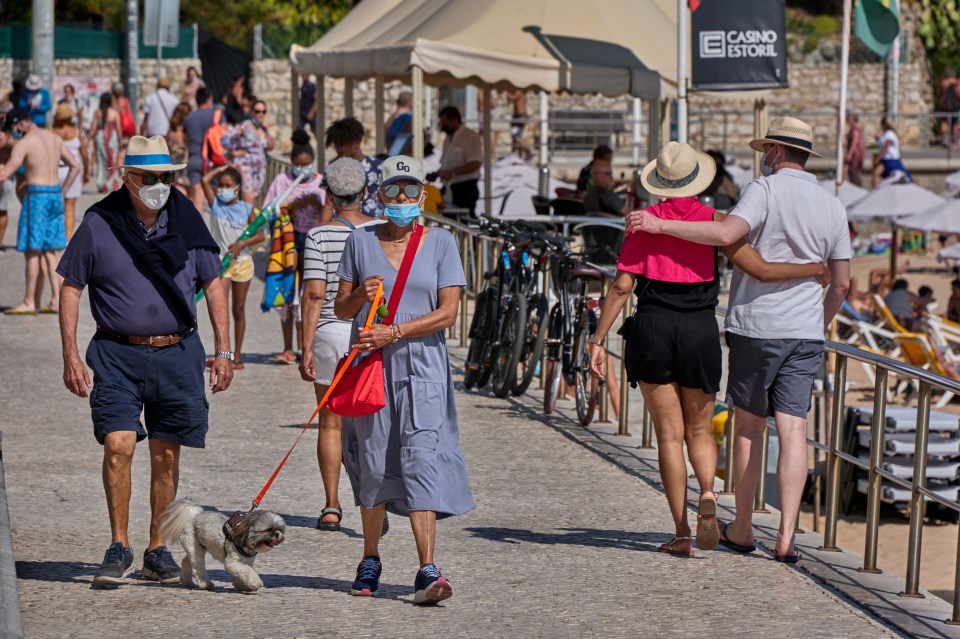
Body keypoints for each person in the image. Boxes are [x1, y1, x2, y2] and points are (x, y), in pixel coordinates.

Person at [588, 142, 830, 557]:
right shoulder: (716, 222)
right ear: (696, 181)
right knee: (700, 429)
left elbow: (621, 286)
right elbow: (759, 268)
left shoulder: (643, 223)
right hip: (700, 328)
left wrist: (596, 339)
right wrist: (812, 269)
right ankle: (708, 494)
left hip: (652, 327)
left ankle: (682, 533)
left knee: (669, 436)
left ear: (659, 183)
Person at [56, 134, 233, 586]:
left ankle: (156, 548)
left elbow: (214, 285)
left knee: (166, 454)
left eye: (166, 176)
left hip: (177, 352)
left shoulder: (187, 221)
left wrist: (224, 350)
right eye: (150, 177)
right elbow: (71, 287)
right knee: (117, 444)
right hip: (117, 353)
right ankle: (119, 544)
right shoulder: (100, 222)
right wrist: (71, 355)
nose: (160, 184)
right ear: (127, 178)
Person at [334, 155, 473, 604]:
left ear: (422, 195)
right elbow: (340, 309)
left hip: (423, 368)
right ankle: (370, 557)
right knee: (373, 459)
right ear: (379, 195)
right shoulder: (360, 241)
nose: (401, 198)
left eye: (410, 189)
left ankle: (427, 567)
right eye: (392, 190)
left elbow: (449, 312)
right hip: (373, 371)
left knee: (420, 459)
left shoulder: (442, 243)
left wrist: (394, 331)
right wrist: (360, 293)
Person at [299, 157, 381, 532]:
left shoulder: (318, 236)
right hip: (372, 335)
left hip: (332, 333)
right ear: (364, 193)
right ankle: (373, 502)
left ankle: (332, 505)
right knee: (371, 426)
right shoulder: (382, 230)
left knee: (330, 425)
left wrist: (305, 345)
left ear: (329, 195)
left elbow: (314, 295)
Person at [0, 108, 80, 315]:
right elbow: (75, 166)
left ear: (19, 125)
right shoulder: (53, 138)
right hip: (54, 194)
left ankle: (29, 301)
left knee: (33, 251)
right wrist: (62, 191)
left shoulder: (25, 144)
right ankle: (56, 300)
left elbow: (5, 174)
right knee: (51, 250)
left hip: (36, 195)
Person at [263, 129, 326, 364]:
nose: (303, 171)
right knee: (288, 292)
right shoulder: (282, 182)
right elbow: (270, 209)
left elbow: (329, 212)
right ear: (292, 164)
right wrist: (290, 205)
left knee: (308, 294)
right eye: (299, 166)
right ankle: (288, 347)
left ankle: (305, 346)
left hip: (313, 241)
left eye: (307, 166)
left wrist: (314, 204)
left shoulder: (321, 182)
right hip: (288, 241)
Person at [201, 164, 264, 370]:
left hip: (243, 263)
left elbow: (261, 235)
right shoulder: (216, 205)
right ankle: (223, 352)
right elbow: (204, 181)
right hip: (222, 263)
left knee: (238, 309)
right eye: (220, 185)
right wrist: (222, 168)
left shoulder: (247, 209)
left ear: (237, 187)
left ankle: (237, 355)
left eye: (228, 185)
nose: (222, 189)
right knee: (221, 308)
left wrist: (242, 244)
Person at [320, 117, 382, 219]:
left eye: (341, 145)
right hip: (342, 228)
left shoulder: (378, 167)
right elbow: (328, 205)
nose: (338, 150)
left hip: (373, 229)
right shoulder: (333, 169)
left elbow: (387, 199)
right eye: (335, 145)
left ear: (356, 142)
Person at [432, 106, 482, 216]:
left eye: (445, 123)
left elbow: (475, 163)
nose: (443, 126)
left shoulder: (470, 136)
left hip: (465, 188)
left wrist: (453, 173)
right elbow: (447, 162)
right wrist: (438, 173)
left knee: (464, 221)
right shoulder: (448, 138)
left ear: (454, 120)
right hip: (449, 188)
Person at [222, 99, 273, 204]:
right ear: (252, 112)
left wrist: (267, 130)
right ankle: (251, 220)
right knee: (248, 196)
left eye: (263, 111)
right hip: (245, 166)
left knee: (254, 196)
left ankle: (248, 218)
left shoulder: (263, 128)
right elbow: (225, 138)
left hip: (259, 169)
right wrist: (233, 152)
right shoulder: (245, 125)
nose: (261, 114)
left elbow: (271, 147)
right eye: (257, 111)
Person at [53, 104, 84, 240]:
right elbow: (84, 154)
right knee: (70, 207)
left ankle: (55, 235)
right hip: (73, 171)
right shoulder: (76, 132)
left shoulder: (53, 132)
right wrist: (88, 171)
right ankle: (67, 239)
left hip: (56, 170)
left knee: (56, 206)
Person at [184, 87, 216, 212]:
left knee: (197, 199)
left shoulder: (189, 118)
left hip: (194, 158)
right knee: (214, 199)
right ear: (209, 100)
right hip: (211, 160)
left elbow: (186, 140)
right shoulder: (214, 115)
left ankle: (198, 229)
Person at [88, 92, 123, 193]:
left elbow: (94, 127)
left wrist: (88, 138)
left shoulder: (98, 112)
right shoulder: (114, 113)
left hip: (100, 138)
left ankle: (101, 183)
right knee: (112, 161)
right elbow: (119, 129)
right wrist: (120, 142)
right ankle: (112, 183)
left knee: (101, 161)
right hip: (112, 138)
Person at [872, 117, 912, 186]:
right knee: (876, 174)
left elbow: (886, 147)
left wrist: (878, 158)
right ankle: (875, 190)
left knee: (895, 176)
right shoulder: (886, 134)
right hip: (886, 160)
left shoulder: (890, 134)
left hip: (891, 160)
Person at [166, 102, 192, 193]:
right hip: (183, 160)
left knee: (175, 187)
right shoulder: (185, 130)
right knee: (185, 189)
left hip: (172, 160)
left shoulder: (171, 129)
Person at [506, 89, 533, 161]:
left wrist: (507, 90)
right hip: (518, 117)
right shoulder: (521, 92)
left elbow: (511, 99)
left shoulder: (518, 92)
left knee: (516, 138)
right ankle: (519, 155)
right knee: (515, 137)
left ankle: (529, 151)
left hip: (519, 117)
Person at [0, 123, 15, 249]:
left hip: (6, 177)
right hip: (7, 176)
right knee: (3, 211)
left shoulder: (11, 142)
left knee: (3, 210)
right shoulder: (11, 141)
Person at [384, 91, 413, 155]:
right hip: (405, 160)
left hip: (391, 157)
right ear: (411, 104)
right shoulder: (409, 119)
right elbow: (411, 145)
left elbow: (385, 143)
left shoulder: (390, 120)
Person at [845, 113, 866, 187]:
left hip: (855, 155)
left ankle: (857, 188)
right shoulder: (854, 127)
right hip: (856, 154)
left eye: (848, 117)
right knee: (854, 173)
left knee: (854, 173)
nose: (847, 119)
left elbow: (855, 140)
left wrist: (850, 154)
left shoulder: (855, 128)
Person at [939, 68, 959, 148]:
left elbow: (939, 93)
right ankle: (954, 140)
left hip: (944, 104)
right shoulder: (954, 81)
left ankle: (944, 139)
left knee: (944, 121)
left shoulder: (942, 82)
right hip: (953, 105)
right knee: (954, 123)